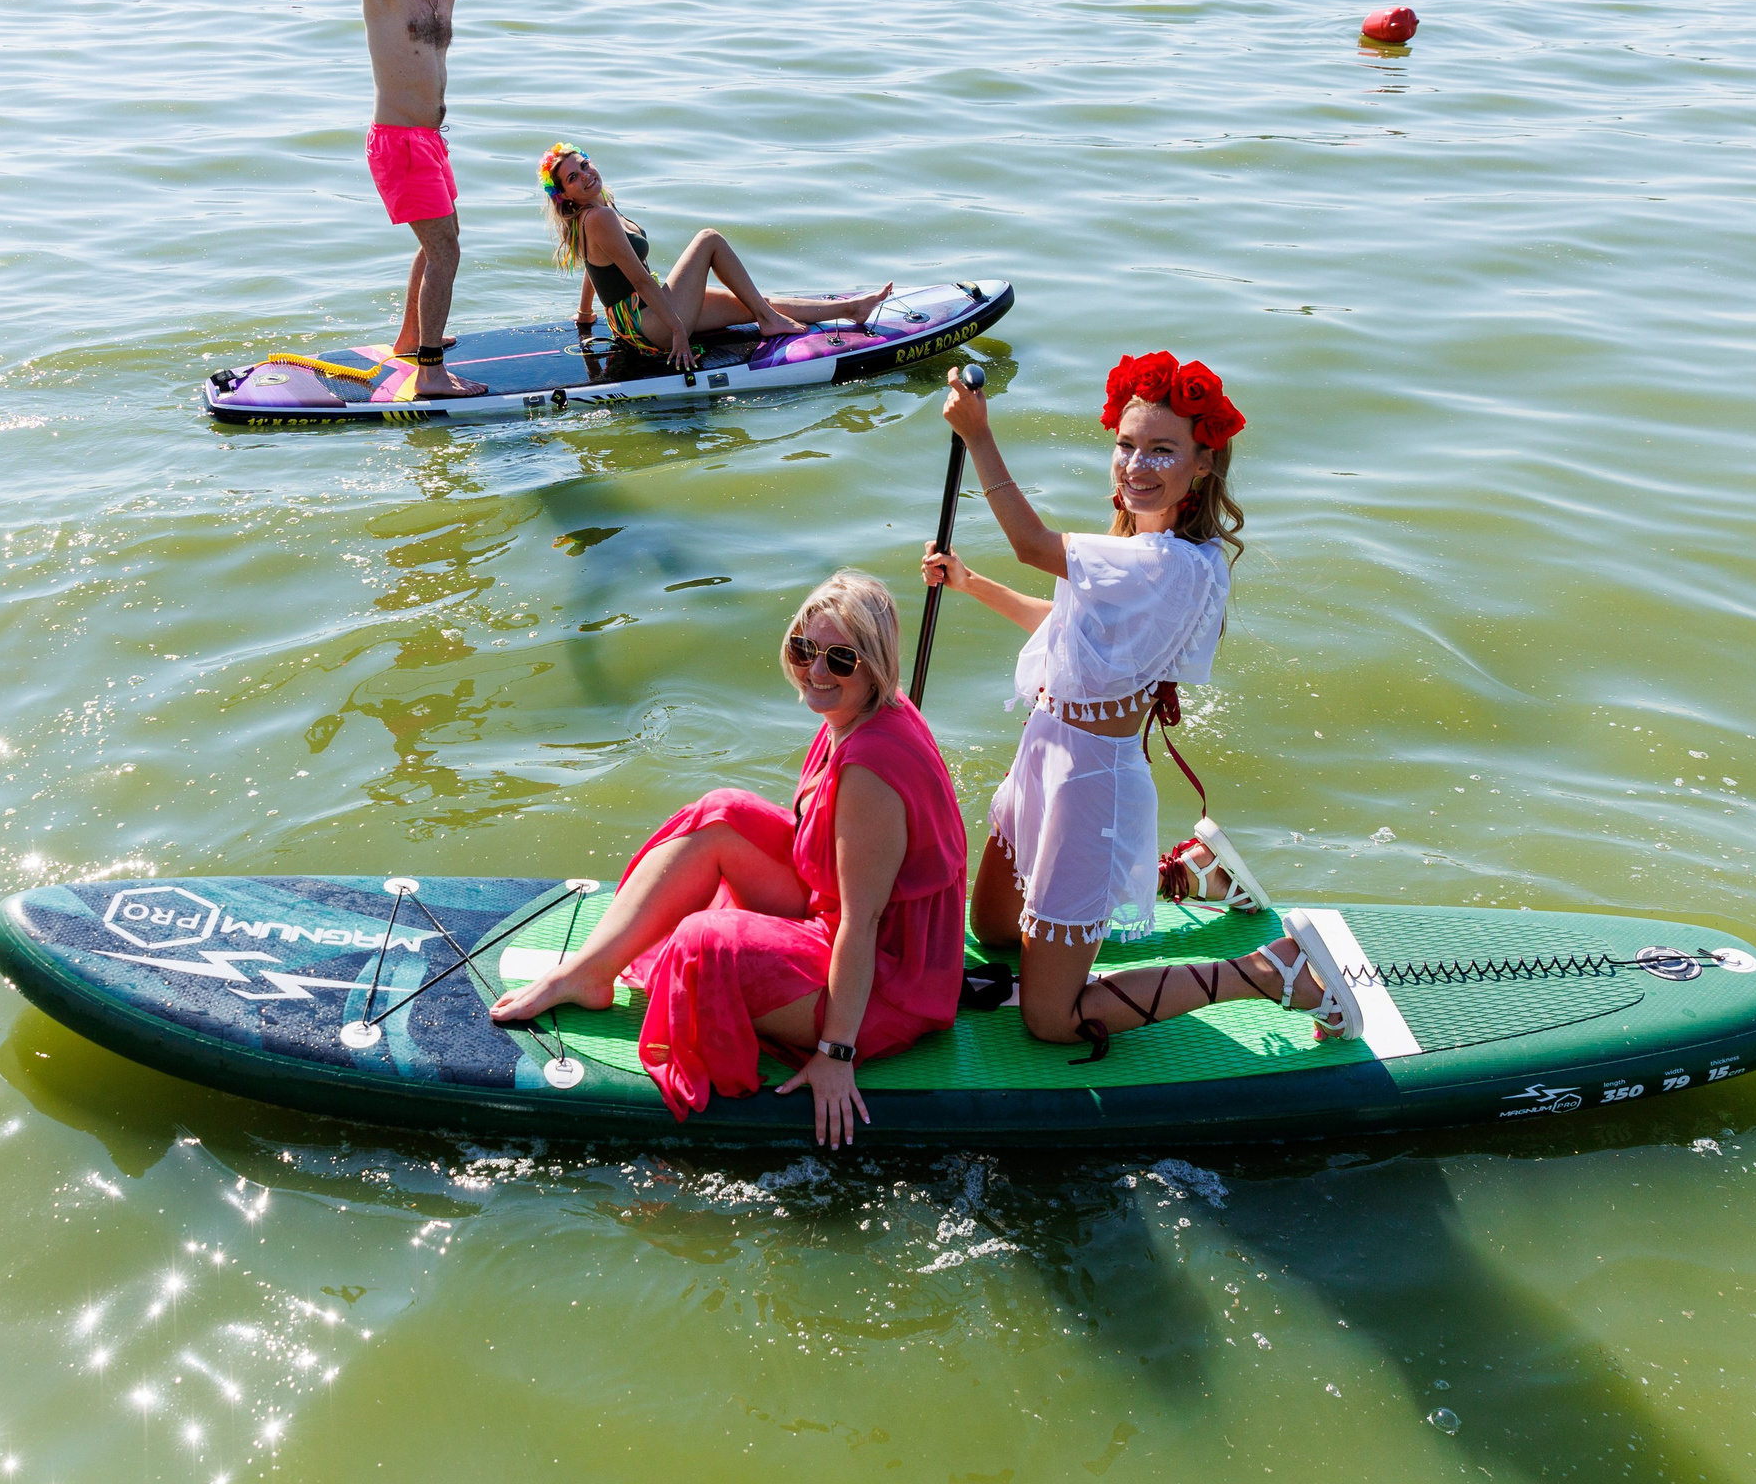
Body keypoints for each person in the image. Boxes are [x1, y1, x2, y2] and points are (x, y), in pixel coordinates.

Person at [919, 354, 1350, 1057]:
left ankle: (1270, 969)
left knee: (1050, 1019)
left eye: (1161, 450)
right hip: (1043, 756)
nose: (1135, 463)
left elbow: (1033, 544)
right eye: (1125, 444)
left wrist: (977, 434)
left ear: (1202, 464)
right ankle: (1195, 873)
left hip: (1092, 784)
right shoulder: (1139, 545)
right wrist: (971, 584)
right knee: (993, 932)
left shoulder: (1169, 563)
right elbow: (1066, 629)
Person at [490, 571, 967, 1143]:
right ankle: (588, 974)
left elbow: (862, 924)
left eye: (840, 660)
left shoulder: (870, 768)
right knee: (720, 814)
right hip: (838, 912)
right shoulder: (854, 716)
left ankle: (830, 1023)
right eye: (804, 648)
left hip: (890, 980)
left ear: (875, 665)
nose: (815, 671)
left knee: (705, 940)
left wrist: (836, 1054)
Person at [261, 0, 553, 398]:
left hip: (431, 140)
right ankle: (431, 374)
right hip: (397, 142)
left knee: (442, 240)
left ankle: (409, 340)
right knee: (446, 249)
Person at [538, 145, 892, 370]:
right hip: (651, 325)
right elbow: (639, 279)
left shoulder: (597, 209)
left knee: (754, 302)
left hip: (637, 318)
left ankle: (850, 309)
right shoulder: (598, 217)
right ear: (565, 195)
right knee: (709, 239)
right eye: (574, 176)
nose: (586, 175)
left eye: (584, 165)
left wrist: (585, 313)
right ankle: (768, 319)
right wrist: (678, 331)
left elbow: (594, 268)